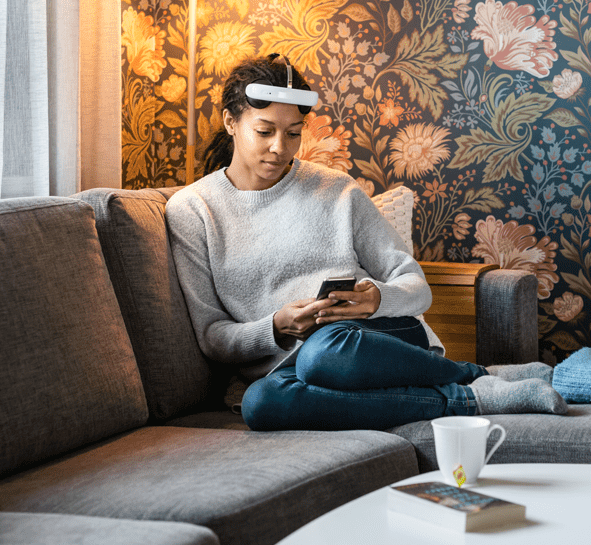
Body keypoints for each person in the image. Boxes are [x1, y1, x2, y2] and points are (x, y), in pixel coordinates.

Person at [165, 54, 567, 431]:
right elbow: (212, 335)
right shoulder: (193, 210)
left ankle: (471, 374)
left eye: (293, 134)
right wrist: (277, 326)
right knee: (262, 404)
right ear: (230, 122)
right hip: (288, 362)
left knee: (325, 351)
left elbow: (414, 285)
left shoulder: (336, 189)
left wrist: (376, 300)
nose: (280, 148)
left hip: (374, 340)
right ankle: (467, 394)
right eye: (264, 131)